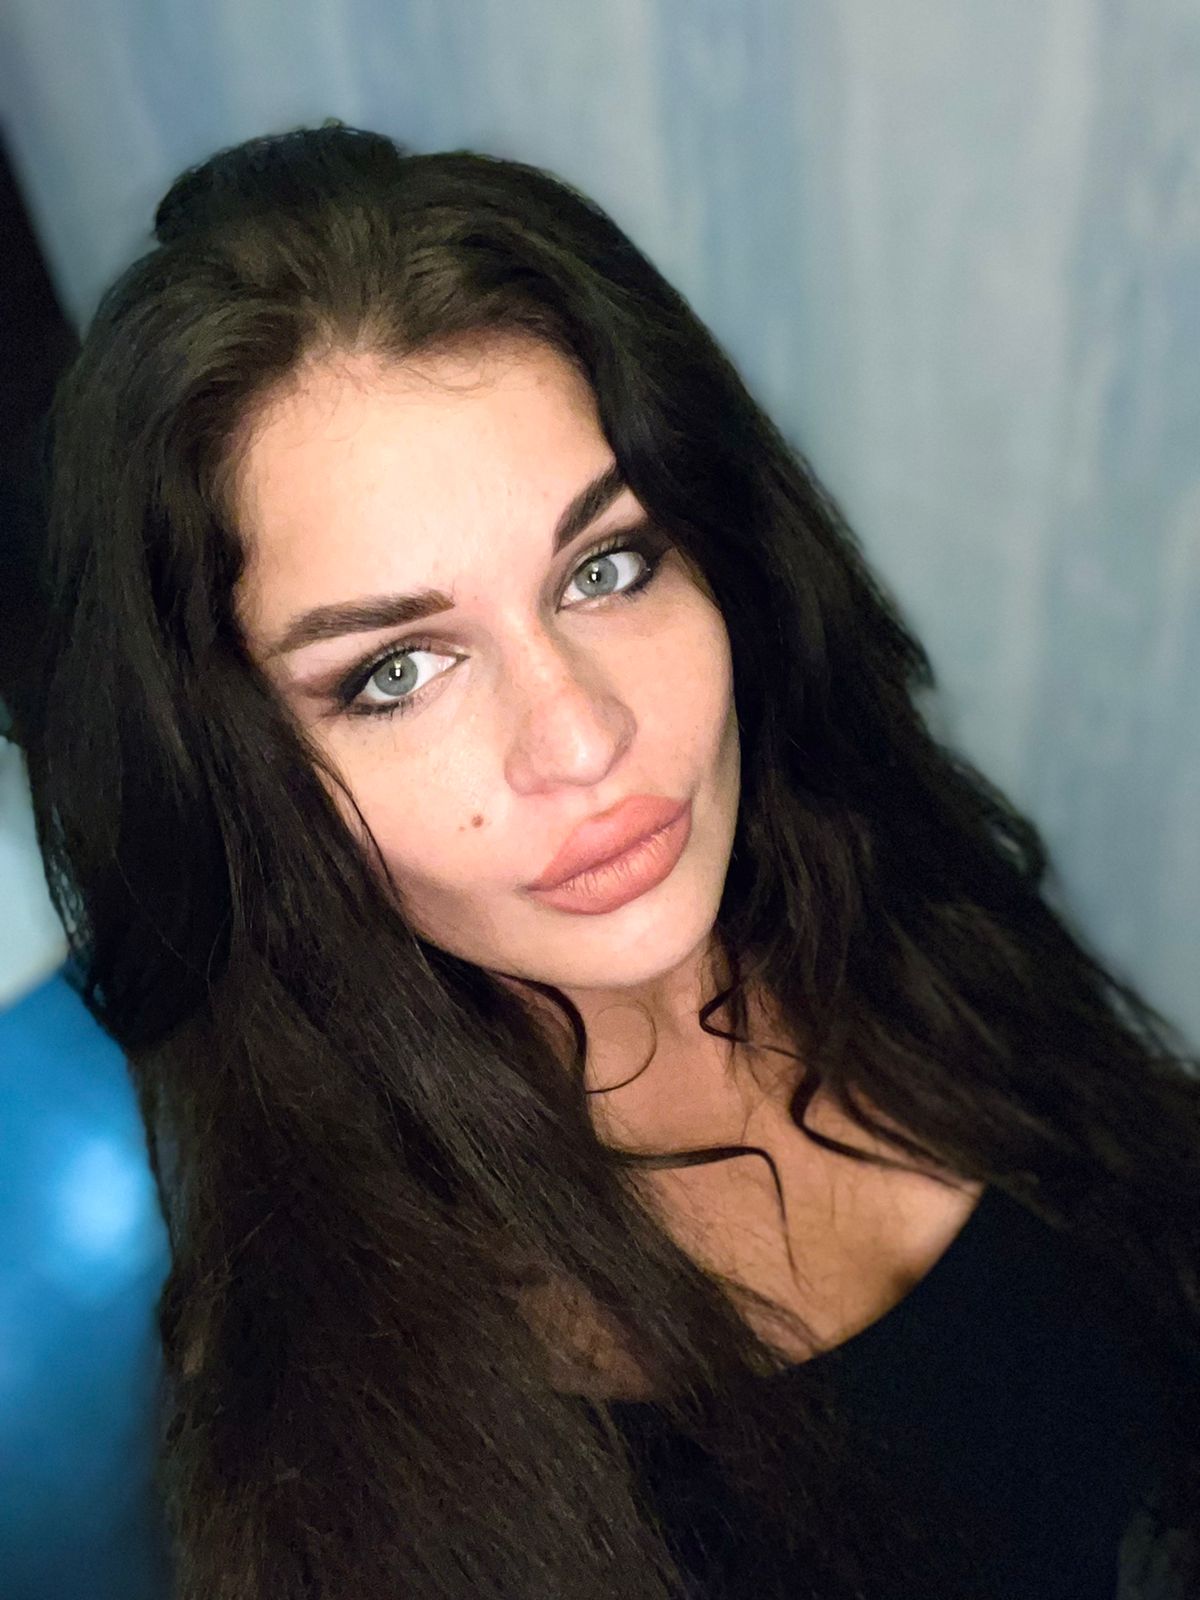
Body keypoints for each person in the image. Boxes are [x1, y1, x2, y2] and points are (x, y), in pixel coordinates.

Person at [22, 122, 1200, 1600]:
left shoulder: (898, 907)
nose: (584, 738)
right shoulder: (358, 1494)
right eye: (397, 672)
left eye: (607, 568)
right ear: (234, 778)